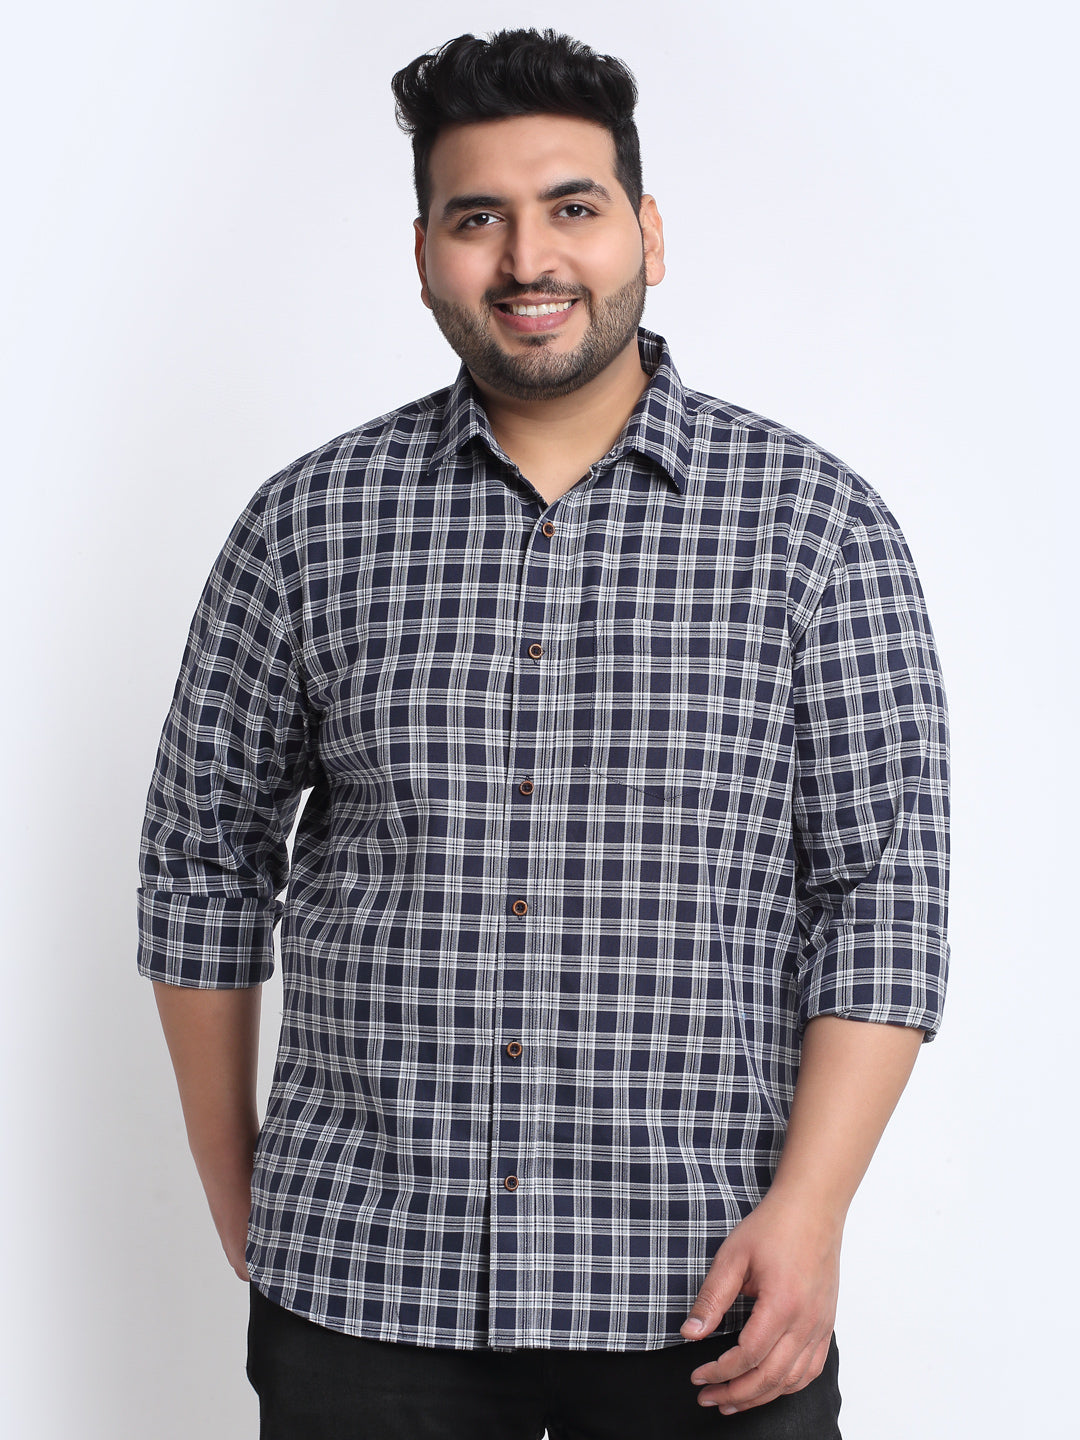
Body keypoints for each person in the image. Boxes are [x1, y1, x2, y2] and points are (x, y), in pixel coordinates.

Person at [138, 27, 949, 1439]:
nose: (529, 259)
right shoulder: (307, 526)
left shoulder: (817, 529)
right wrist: (242, 1191)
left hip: (708, 1280)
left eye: (572, 206)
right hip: (364, 1290)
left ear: (646, 231)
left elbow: (882, 893)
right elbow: (201, 860)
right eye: (478, 218)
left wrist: (812, 1213)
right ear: (424, 253)